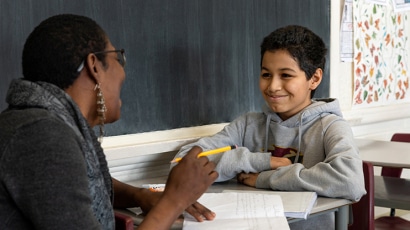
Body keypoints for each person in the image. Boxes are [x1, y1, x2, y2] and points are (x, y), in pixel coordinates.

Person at [0, 14, 218, 230]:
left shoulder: (41, 124)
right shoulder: (42, 135)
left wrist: (138, 195)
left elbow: (70, 186)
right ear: (94, 65)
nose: (123, 71)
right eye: (117, 58)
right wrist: (175, 199)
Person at [172, 25, 366, 229]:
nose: (273, 86)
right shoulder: (248, 125)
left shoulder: (330, 126)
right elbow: (180, 164)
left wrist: (264, 178)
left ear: (314, 78)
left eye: (286, 75)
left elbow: (350, 182)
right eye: (266, 74)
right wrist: (259, 161)